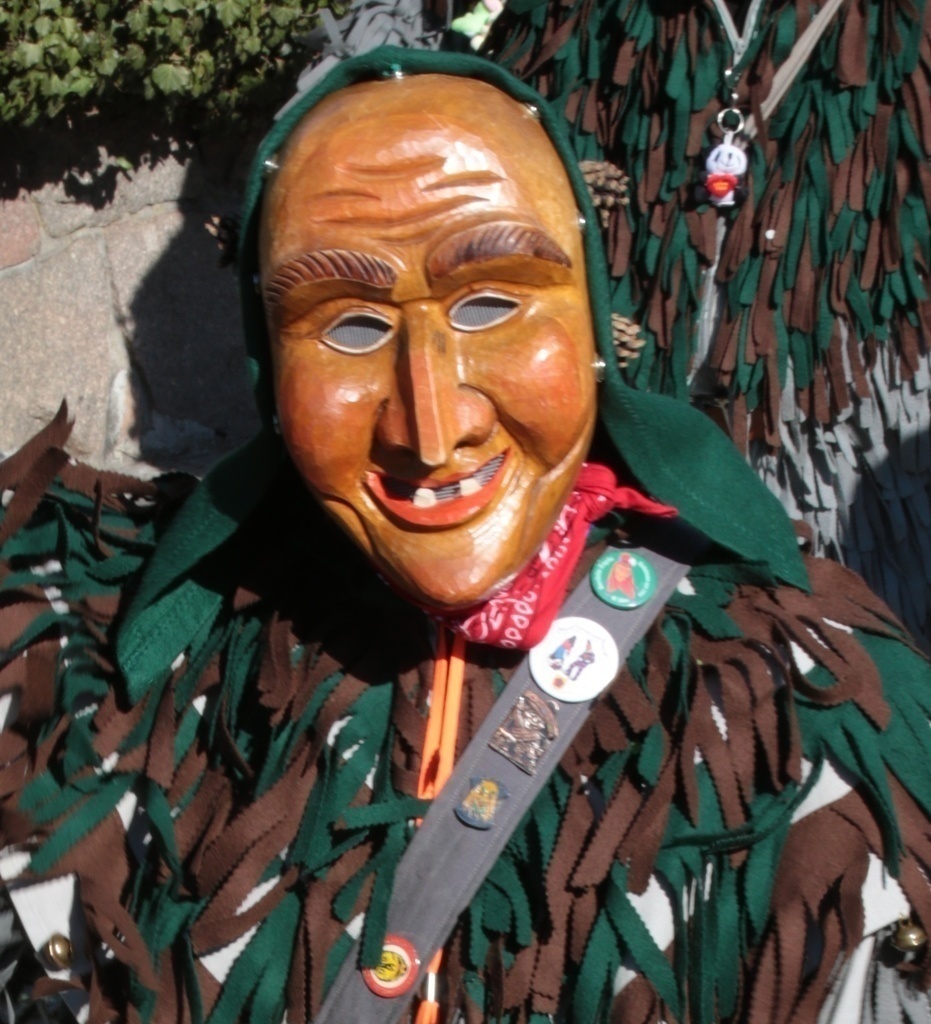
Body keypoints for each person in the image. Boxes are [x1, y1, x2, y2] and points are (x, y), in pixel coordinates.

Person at [0, 47, 929, 1024]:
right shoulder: (96, 664)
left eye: (492, 304)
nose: (431, 429)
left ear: (593, 324)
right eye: (349, 326)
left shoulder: (813, 709)